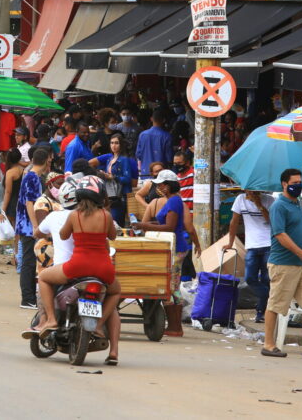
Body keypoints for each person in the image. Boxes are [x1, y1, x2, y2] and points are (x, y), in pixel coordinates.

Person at [35, 178, 122, 365]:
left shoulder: (74, 215)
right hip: (103, 267)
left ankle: (50, 319)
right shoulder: (106, 215)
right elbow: (112, 236)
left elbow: (64, 235)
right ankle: (98, 326)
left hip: (78, 266)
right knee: (115, 291)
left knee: (43, 278)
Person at [261, 168, 302, 358]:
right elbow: (280, 235)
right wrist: (301, 253)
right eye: (294, 182)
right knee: (276, 304)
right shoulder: (279, 206)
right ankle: (269, 344)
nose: (298, 185)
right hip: (284, 263)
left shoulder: (297, 204)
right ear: (284, 184)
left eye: (300, 182)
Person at [134, 179, 196, 336]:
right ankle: (174, 326)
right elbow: (164, 221)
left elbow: (170, 227)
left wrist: (144, 225)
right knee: (171, 285)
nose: (158, 188)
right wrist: (147, 224)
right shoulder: (171, 201)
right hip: (171, 246)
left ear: (168, 186)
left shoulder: (175, 201)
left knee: (171, 286)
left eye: (161, 185)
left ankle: (175, 327)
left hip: (176, 248)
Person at [225, 189, 275, 323]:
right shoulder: (240, 199)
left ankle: (261, 313)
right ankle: (271, 298)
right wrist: (230, 242)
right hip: (251, 246)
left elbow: (271, 220)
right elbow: (234, 222)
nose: (251, 192)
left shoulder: (270, 200)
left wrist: (259, 204)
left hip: (268, 244)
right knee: (250, 278)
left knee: (266, 279)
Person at [16, 147, 52, 309]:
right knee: (29, 261)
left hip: (27, 224)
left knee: (30, 260)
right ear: (46, 161)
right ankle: (27, 298)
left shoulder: (32, 176)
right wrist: (35, 225)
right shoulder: (32, 178)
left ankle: (29, 297)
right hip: (27, 225)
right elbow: (30, 203)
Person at [90, 133, 138, 225]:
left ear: (121, 145)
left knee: (116, 222)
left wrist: (113, 177)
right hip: (110, 195)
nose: (114, 145)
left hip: (120, 196)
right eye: (112, 143)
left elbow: (127, 179)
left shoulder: (124, 159)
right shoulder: (110, 159)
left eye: (116, 143)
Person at [0, 148, 25, 266]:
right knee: (17, 233)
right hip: (21, 203)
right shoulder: (23, 171)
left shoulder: (10, 173)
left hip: (11, 204)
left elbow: (8, 193)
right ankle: (16, 258)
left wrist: (2, 211)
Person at [135, 109, 172, 175]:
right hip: (160, 174)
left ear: (151, 119)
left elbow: (138, 155)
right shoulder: (167, 136)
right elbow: (169, 158)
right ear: (164, 120)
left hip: (145, 172)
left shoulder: (142, 135)